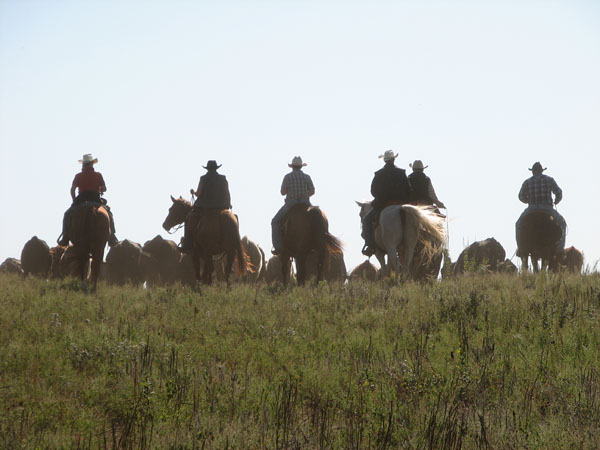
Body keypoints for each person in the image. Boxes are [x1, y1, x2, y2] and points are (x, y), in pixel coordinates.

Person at [58, 154, 118, 247]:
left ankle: (65, 238)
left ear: (83, 165)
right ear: (92, 164)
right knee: (108, 213)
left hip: (81, 198)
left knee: (67, 214)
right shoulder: (98, 175)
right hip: (95, 198)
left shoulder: (78, 176)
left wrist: (74, 200)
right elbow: (104, 188)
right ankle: (112, 238)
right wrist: (101, 189)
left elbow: (72, 190)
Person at [361, 150, 412, 256]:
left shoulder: (379, 174)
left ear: (385, 160)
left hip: (383, 204)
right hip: (401, 203)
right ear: (394, 159)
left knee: (366, 221)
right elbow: (409, 190)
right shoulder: (401, 172)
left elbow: (373, 191)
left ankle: (370, 245)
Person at [180, 160, 232, 253]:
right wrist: (228, 204)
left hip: (205, 207)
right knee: (234, 219)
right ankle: (236, 242)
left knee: (188, 219)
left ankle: (187, 245)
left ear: (207, 169)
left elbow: (199, 194)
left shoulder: (203, 178)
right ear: (216, 168)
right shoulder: (223, 178)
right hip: (221, 207)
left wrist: (193, 192)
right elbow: (227, 193)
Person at [516, 161, 566, 256]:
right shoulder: (549, 180)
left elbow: (521, 196)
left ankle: (521, 248)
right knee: (562, 223)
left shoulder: (527, 182)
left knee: (518, 224)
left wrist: (527, 200)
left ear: (533, 171)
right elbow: (559, 193)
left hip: (532, 208)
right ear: (541, 171)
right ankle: (560, 250)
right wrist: (556, 201)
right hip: (547, 208)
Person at [271, 156, 315, 255]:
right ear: (301, 167)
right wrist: (304, 194)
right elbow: (312, 191)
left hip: (291, 203)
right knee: (317, 217)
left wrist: (290, 191)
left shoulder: (287, 177)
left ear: (292, 167)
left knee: (275, 222)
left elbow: (282, 192)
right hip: (306, 203)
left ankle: (278, 247)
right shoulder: (307, 177)